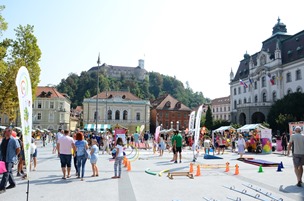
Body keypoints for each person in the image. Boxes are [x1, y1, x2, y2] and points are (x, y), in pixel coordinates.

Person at [0, 128, 21, 194]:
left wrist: (14, 156)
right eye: (5, 131)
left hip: (9, 159)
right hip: (3, 158)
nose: (6, 132)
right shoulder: (3, 139)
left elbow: (18, 149)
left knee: (6, 172)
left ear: (11, 132)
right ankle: (12, 183)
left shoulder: (13, 140)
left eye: (8, 131)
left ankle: (2, 187)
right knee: (9, 172)